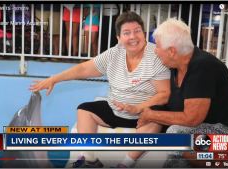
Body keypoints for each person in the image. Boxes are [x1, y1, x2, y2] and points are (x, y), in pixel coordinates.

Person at [30, 11, 171, 168]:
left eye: (137, 31)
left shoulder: (156, 56)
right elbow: (84, 69)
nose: (133, 37)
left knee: (157, 115)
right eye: (127, 33)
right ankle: (89, 159)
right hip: (116, 110)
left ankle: (126, 163)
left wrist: (138, 107)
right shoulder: (113, 54)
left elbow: (164, 94)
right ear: (119, 38)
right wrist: (54, 79)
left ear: (144, 34)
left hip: (143, 115)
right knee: (84, 110)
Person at [120, 18, 228, 167]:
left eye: (158, 46)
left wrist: (150, 114)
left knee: (176, 134)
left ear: (172, 51)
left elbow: (191, 119)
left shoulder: (203, 67)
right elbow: (170, 107)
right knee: (174, 162)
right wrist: (147, 112)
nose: (155, 51)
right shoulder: (175, 67)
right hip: (201, 133)